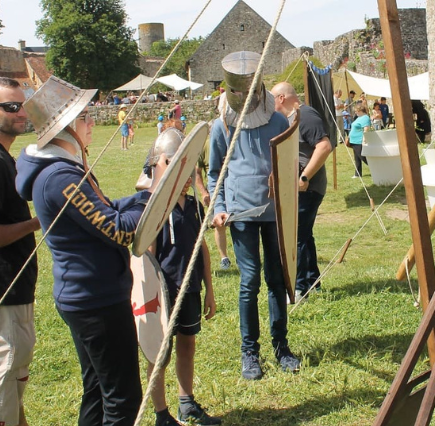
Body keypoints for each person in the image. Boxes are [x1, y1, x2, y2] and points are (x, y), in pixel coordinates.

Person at [15, 76, 164, 426]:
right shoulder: (60, 177)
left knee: (98, 390)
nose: (92, 123)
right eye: (85, 117)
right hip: (95, 300)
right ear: (65, 129)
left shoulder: (63, 170)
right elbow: (119, 229)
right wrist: (155, 192)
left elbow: (106, 209)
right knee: (122, 399)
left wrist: (141, 197)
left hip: (89, 295)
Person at [207, 51, 300, 381]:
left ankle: (281, 347)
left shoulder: (277, 121)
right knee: (250, 281)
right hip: (241, 213)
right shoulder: (221, 126)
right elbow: (215, 172)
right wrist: (218, 208)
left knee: (277, 280)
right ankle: (250, 353)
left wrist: (285, 177)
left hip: (273, 213)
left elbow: (290, 161)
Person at [144, 128, 221, 426]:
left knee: (187, 344)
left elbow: (202, 247)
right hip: (164, 292)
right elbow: (146, 258)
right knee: (159, 353)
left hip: (190, 289)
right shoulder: (155, 208)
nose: (188, 177)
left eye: (190, 171)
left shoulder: (191, 207)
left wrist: (210, 290)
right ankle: (161, 413)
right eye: (181, 170)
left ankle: (186, 402)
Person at [0, 77, 40, 426]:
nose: (21, 113)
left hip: (12, 287)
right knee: (0, 368)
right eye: (11, 106)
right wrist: (36, 223)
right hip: (1, 287)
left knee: (13, 369)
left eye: (22, 105)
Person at [270, 82, 333, 299]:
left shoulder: (305, 115)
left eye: (272, 99)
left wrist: (304, 176)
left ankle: (299, 288)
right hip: (300, 187)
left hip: (309, 187)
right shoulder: (291, 119)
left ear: (281, 98)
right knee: (304, 235)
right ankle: (312, 281)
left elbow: (324, 146)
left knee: (296, 235)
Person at [194, 127, 231, 271]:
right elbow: (197, 173)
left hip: (234, 186)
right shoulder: (203, 146)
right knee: (219, 223)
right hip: (215, 188)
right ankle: (224, 258)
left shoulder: (231, 140)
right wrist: (204, 192)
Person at [347, 104, 370, 178]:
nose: (355, 113)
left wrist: (364, 140)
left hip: (359, 140)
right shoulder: (358, 118)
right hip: (353, 141)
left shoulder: (365, 117)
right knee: (357, 158)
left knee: (363, 157)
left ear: (360, 110)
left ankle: (376, 168)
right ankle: (357, 174)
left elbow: (366, 129)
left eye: (356, 111)